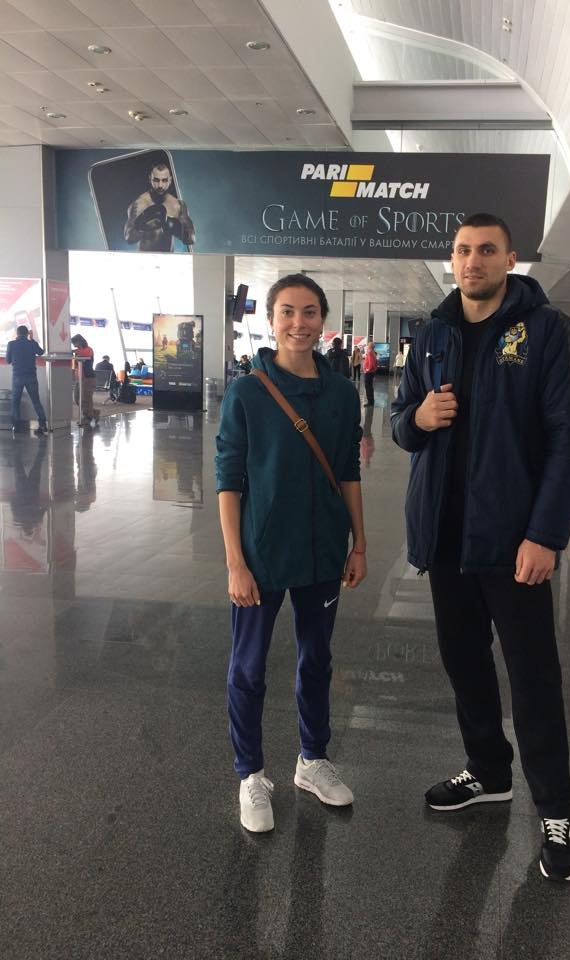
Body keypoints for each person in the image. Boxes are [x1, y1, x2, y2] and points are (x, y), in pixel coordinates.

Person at [391, 213, 570, 883]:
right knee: (464, 661)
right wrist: (418, 419)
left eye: (485, 250)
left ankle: (554, 808)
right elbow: (400, 422)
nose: (471, 261)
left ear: (510, 259)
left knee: (532, 674)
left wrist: (546, 534)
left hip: (514, 541)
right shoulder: (433, 334)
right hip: (446, 537)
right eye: (461, 250)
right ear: (451, 260)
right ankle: (488, 770)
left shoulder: (548, 333)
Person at [216, 273, 367, 834]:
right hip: (261, 555)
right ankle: (250, 773)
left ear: (322, 319)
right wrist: (235, 562)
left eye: (308, 312)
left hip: (323, 552)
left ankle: (312, 759)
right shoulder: (247, 393)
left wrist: (359, 543)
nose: (298, 323)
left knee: (316, 660)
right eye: (287, 312)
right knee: (248, 666)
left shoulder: (341, 394)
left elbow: (347, 471)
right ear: (271, 319)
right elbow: (229, 481)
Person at [124, 162, 195, 253]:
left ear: (170, 180)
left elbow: (191, 239)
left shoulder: (178, 205)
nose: (160, 185)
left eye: (164, 180)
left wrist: (177, 228)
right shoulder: (139, 205)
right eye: (156, 180)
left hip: (169, 260)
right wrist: (144, 226)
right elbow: (129, 238)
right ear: (150, 179)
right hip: (145, 259)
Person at [5, 325, 48, 436]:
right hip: (31, 376)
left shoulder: (11, 344)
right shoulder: (32, 344)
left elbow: (8, 360)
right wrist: (32, 339)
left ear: (17, 333)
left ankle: (16, 426)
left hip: (17, 376)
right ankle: (43, 425)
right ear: (27, 333)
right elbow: (41, 352)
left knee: (15, 402)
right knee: (36, 401)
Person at [70, 333, 96, 426]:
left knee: (86, 399)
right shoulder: (77, 351)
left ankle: (87, 418)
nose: (74, 345)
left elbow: (84, 356)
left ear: (79, 341)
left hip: (88, 378)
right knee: (77, 398)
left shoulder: (89, 349)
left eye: (75, 343)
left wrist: (74, 352)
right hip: (79, 378)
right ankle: (94, 413)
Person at [363, 340, 378, 406]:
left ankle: (370, 401)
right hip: (372, 372)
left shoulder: (370, 352)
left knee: (368, 387)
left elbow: (371, 363)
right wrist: (374, 369)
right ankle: (371, 401)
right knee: (370, 386)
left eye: (368, 345)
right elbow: (376, 362)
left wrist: (367, 369)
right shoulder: (374, 353)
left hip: (369, 373)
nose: (367, 346)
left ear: (370, 346)